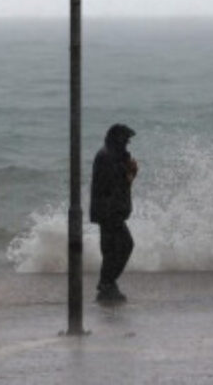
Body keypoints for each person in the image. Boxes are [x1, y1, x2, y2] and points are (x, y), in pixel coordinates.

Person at [90, 123, 138, 303]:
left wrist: (128, 172)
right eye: (126, 141)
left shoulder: (110, 155)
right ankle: (107, 283)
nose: (127, 144)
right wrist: (130, 173)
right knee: (124, 246)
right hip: (109, 212)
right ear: (118, 140)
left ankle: (107, 284)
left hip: (109, 212)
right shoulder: (108, 157)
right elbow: (116, 185)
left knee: (112, 250)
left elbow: (119, 183)